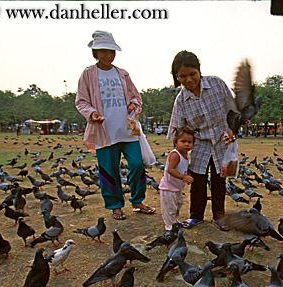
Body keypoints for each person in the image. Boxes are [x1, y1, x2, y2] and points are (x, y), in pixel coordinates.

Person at [75, 30, 155, 220]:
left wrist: (133, 105)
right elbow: (81, 101)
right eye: (103, 51)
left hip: (127, 130)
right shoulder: (88, 74)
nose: (108, 55)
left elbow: (137, 96)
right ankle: (115, 205)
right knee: (109, 170)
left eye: (111, 51)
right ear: (96, 52)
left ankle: (137, 201)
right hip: (104, 131)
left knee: (137, 165)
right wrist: (91, 113)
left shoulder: (123, 73)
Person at [167, 50, 237, 231]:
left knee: (219, 180)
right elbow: (177, 129)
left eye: (192, 74)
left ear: (199, 71)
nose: (189, 80)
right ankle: (195, 216)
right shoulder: (181, 100)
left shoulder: (216, 84)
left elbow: (232, 111)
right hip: (200, 144)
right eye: (183, 76)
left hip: (223, 141)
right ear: (177, 77)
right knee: (197, 181)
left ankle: (219, 217)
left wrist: (232, 131)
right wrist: (181, 150)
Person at [159, 127, 194, 231]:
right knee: (169, 208)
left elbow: (184, 167)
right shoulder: (175, 154)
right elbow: (170, 170)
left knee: (178, 205)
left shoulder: (185, 155)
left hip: (177, 188)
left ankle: (174, 221)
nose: (187, 144)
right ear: (175, 142)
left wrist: (187, 175)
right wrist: (183, 177)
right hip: (168, 188)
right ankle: (169, 227)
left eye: (190, 142)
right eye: (183, 141)